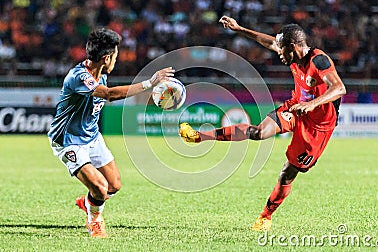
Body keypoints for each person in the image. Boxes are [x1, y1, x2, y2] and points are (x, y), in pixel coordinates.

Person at [179, 16, 346, 231]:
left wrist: (313, 104)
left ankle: (266, 216)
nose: (279, 53)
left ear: (293, 47)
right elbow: (269, 42)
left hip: (318, 127)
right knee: (258, 132)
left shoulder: (319, 61)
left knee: (288, 172)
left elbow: (339, 88)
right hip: (295, 108)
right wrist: (239, 29)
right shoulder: (291, 53)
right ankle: (199, 136)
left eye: (282, 50)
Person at [48, 28, 175, 238]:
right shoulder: (78, 76)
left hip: (92, 136)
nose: (117, 59)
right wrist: (149, 82)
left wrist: (158, 97)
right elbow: (108, 95)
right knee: (100, 187)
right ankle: (94, 221)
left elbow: (112, 94)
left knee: (113, 185)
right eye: (115, 55)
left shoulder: (102, 75)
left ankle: (88, 202)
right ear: (107, 57)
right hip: (69, 140)